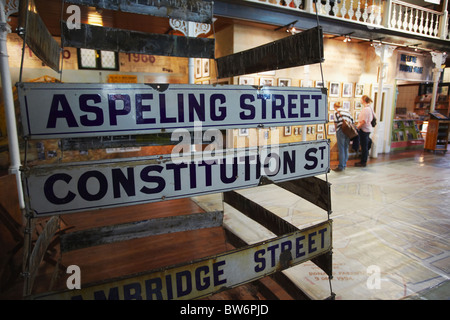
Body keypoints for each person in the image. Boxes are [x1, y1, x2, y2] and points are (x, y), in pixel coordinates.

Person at [332, 102, 354, 172]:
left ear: (335, 107)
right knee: (346, 147)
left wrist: (336, 131)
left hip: (341, 130)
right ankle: (344, 164)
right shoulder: (347, 112)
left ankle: (341, 166)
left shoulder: (336, 112)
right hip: (348, 131)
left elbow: (335, 123)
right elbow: (352, 122)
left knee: (341, 148)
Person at [356, 95, 374, 167]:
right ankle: (363, 160)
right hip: (367, 129)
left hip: (364, 130)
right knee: (365, 146)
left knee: (364, 146)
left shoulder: (366, 109)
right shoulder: (369, 108)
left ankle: (363, 161)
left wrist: (358, 127)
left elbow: (363, 121)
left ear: (363, 100)